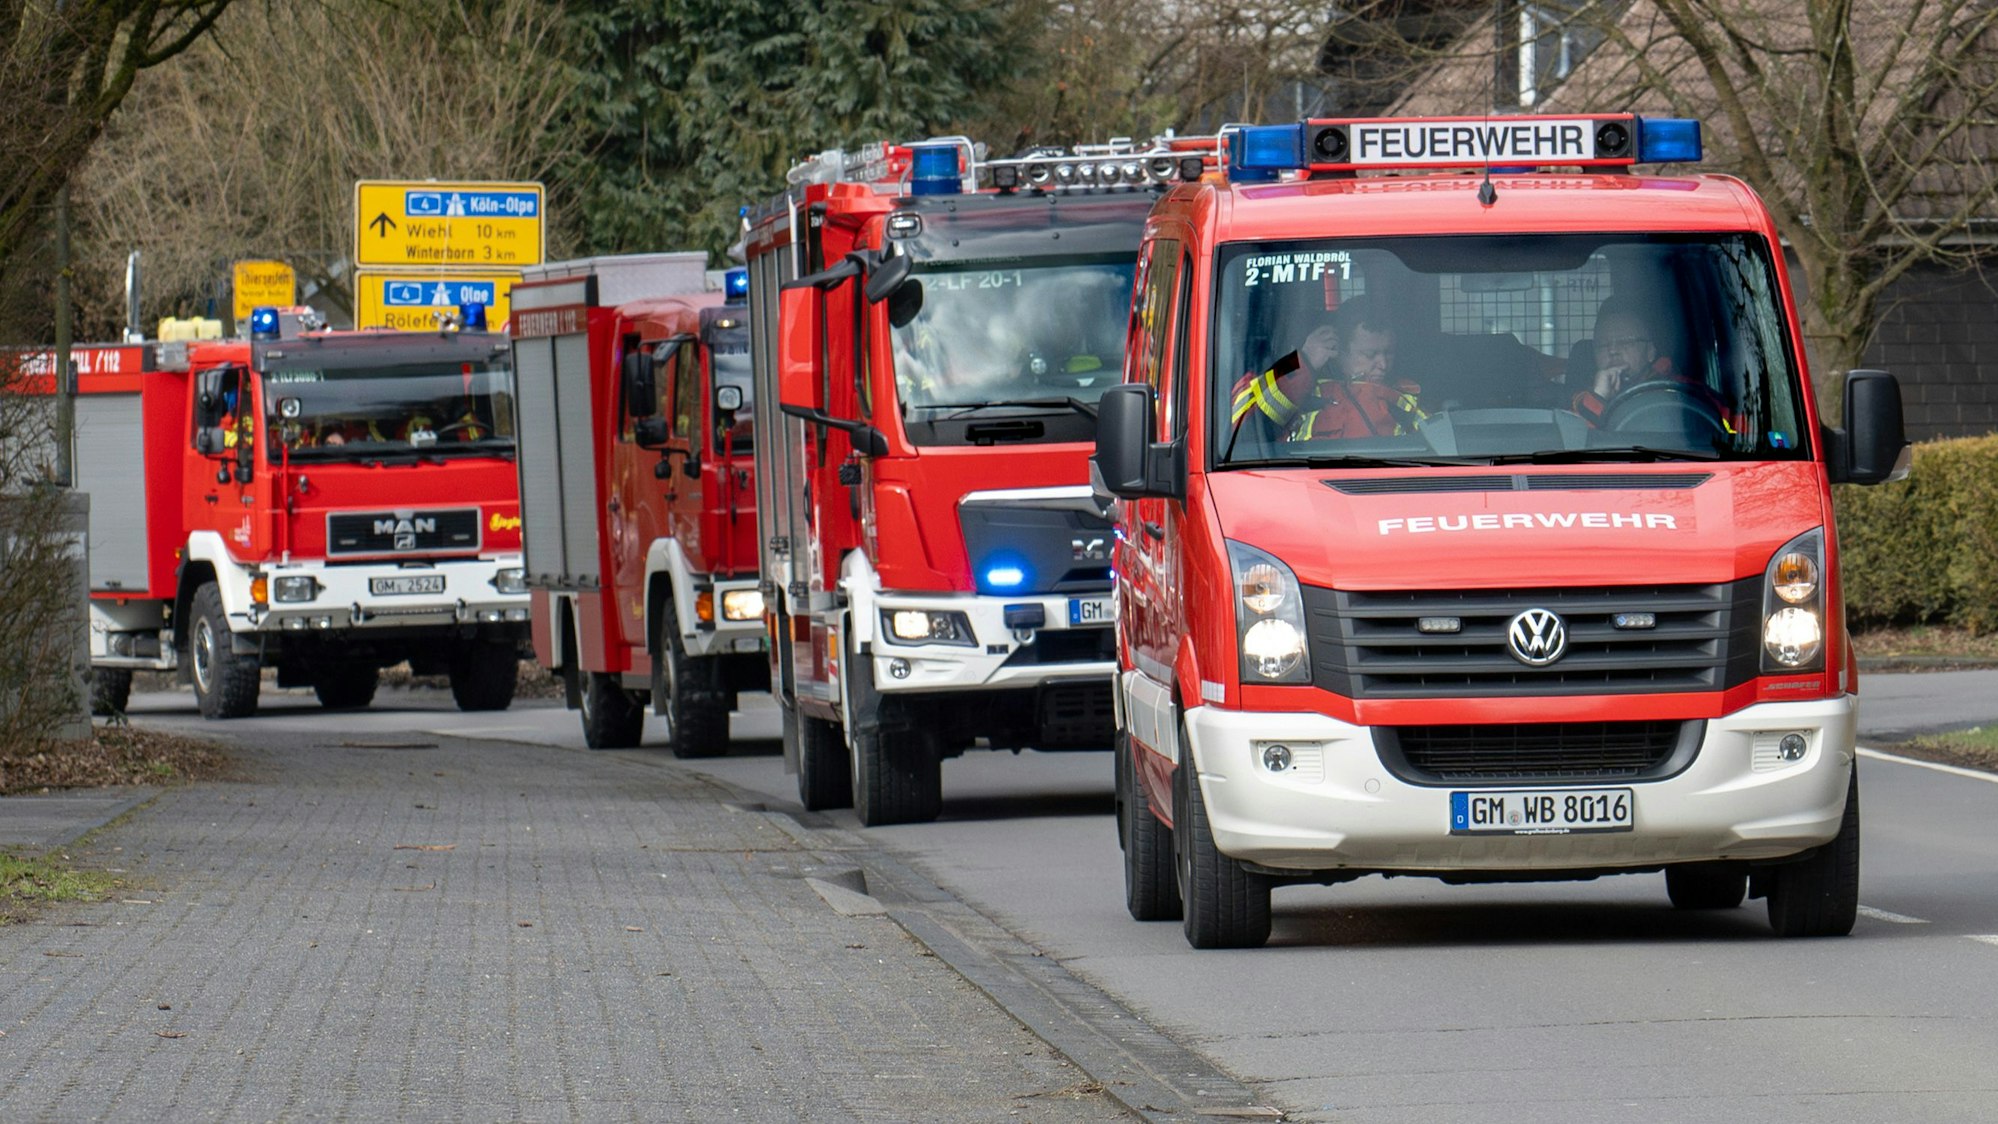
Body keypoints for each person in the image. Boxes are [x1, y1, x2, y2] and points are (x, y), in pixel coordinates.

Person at [1229, 295, 1424, 440]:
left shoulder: (1406, 395)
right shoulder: (1301, 388)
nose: (1382, 365)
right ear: (1336, 349)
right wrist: (1303, 361)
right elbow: (1240, 434)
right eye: (1369, 355)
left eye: (1388, 353)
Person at [1571, 296, 1721, 426]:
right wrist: (1598, 397)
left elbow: (1735, 435)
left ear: (1650, 351)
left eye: (1625, 342)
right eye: (1603, 344)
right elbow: (1574, 447)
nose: (1613, 350)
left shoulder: (1684, 393)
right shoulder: (1582, 403)